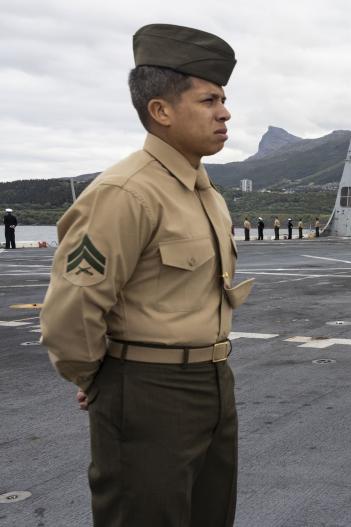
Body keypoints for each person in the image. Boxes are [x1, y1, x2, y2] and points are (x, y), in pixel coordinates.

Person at [39, 24, 254, 526]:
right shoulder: (126, 192)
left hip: (214, 380)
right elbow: (72, 311)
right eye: (208, 100)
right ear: (161, 111)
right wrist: (102, 381)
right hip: (147, 388)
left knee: (210, 515)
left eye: (223, 99)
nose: (224, 112)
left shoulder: (206, 194)